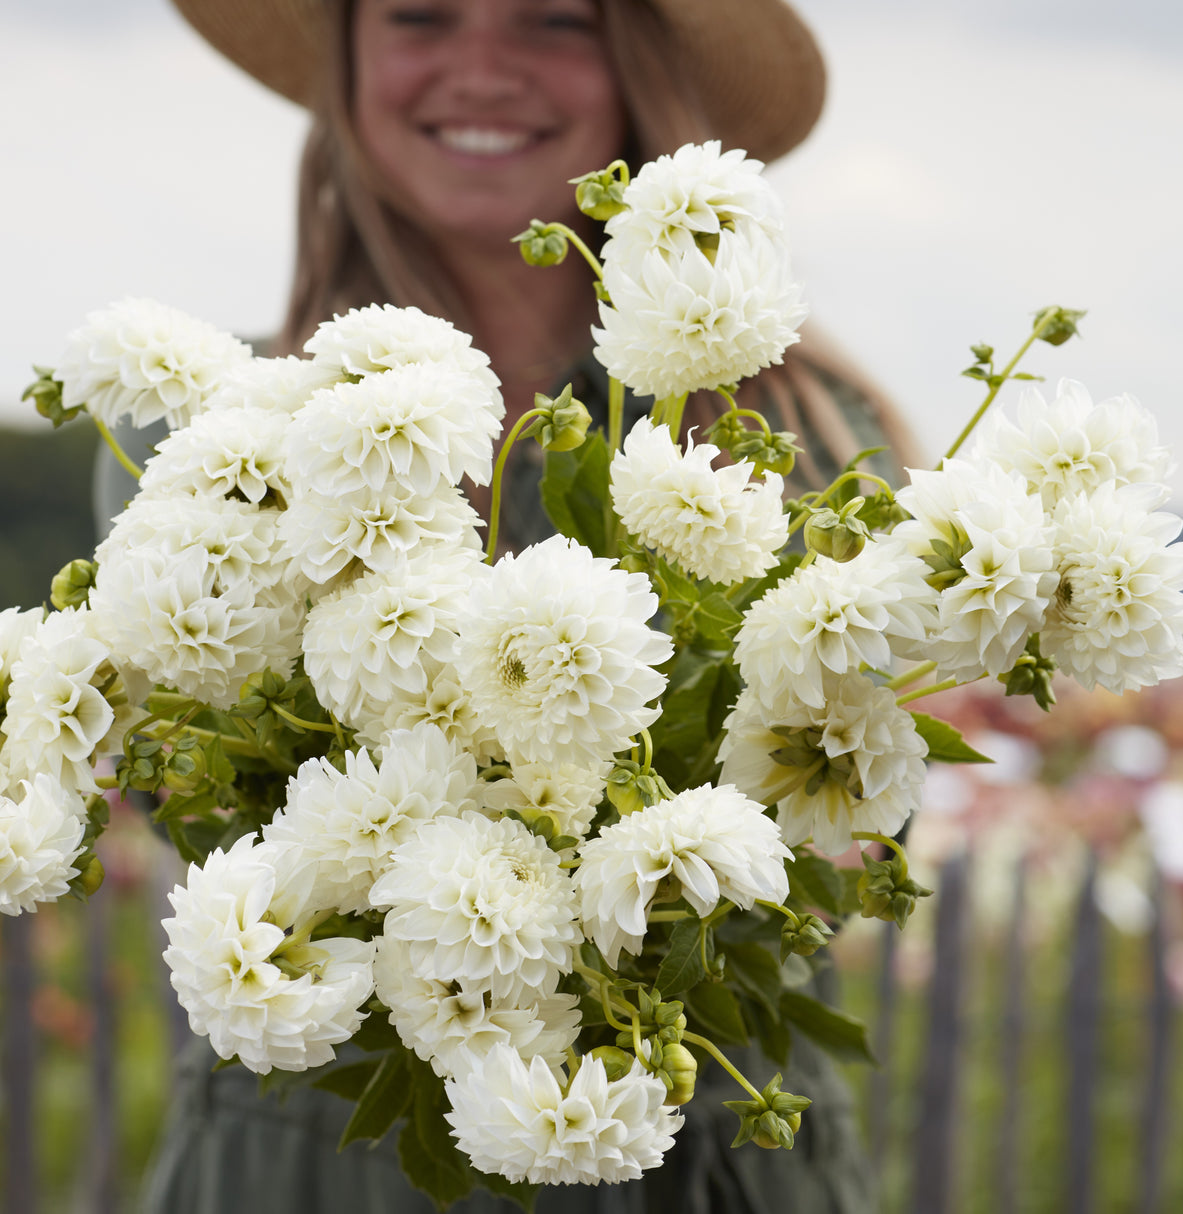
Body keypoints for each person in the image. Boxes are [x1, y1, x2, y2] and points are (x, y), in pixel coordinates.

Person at [98, 1, 920, 1210]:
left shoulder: (812, 446)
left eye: (555, 19)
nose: (482, 68)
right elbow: (178, 786)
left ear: (639, 67)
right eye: (421, 12)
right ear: (350, 59)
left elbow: (858, 818)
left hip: (696, 1146)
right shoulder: (204, 434)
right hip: (308, 1157)